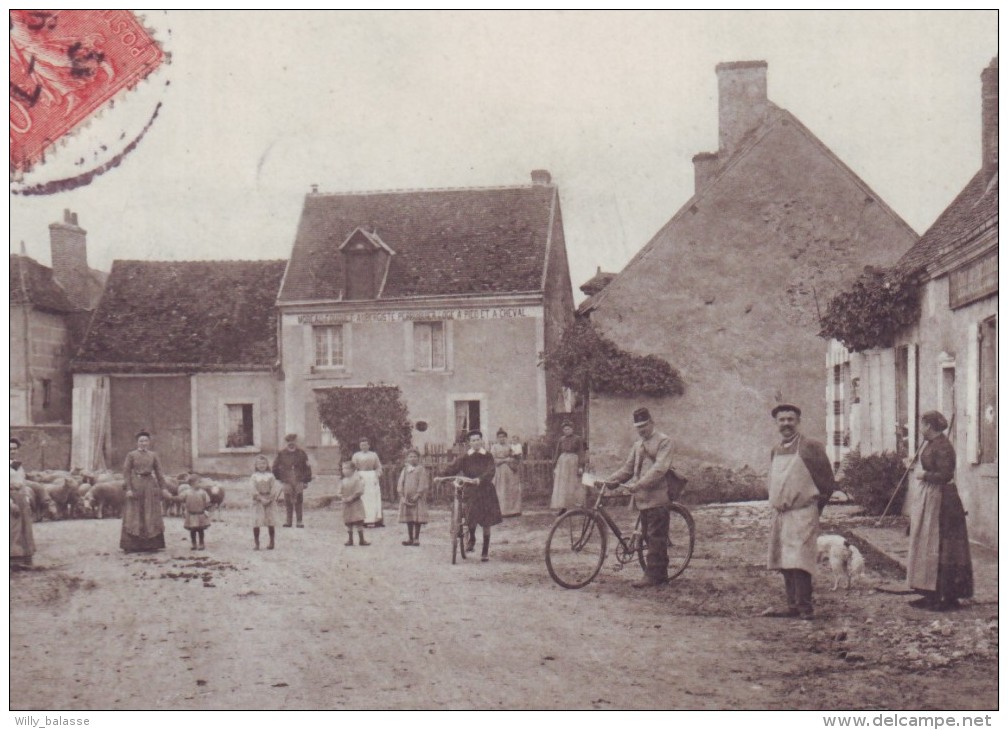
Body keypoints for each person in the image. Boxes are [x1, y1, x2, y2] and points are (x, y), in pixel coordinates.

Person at [762, 404, 835, 620]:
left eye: (790, 419)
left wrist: (816, 508)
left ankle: (805, 607)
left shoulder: (810, 447)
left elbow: (827, 482)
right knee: (784, 558)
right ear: (777, 423)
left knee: (800, 559)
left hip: (803, 511)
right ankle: (792, 605)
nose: (786, 424)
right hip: (782, 514)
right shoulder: (776, 449)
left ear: (798, 421)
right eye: (782, 420)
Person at [906, 410, 973, 611]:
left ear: (929, 426)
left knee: (945, 548)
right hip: (932, 498)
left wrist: (923, 475)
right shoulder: (932, 444)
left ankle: (948, 597)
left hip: (945, 502)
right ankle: (931, 594)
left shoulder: (944, 446)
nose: (920, 429)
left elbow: (945, 474)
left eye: (922, 425)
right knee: (928, 546)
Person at [603, 408, 676, 588]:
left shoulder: (664, 441)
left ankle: (653, 576)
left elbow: (660, 469)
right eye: (638, 427)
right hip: (642, 498)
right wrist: (610, 480)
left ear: (652, 422)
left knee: (655, 536)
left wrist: (640, 484)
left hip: (658, 496)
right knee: (647, 536)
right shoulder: (637, 445)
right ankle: (660, 575)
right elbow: (628, 469)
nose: (642, 430)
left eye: (644, 426)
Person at [442, 430, 502, 562]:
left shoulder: (487, 456)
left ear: (481, 441)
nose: (476, 442)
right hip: (471, 489)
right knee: (470, 514)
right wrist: (442, 476)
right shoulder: (464, 457)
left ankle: (485, 551)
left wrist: (480, 479)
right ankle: (472, 537)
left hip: (486, 490)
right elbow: (453, 468)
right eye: (473, 440)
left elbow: (490, 471)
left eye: (478, 439)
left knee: (487, 522)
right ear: (469, 443)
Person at [121, 431, 167, 552]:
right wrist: (129, 489)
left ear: (149, 442)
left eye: (145, 441)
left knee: (150, 512)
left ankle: (151, 544)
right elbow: (126, 473)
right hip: (136, 484)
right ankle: (132, 545)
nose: (143, 443)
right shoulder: (131, 455)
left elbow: (159, 472)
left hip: (150, 486)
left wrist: (163, 488)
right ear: (137, 442)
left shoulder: (153, 455)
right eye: (141, 441)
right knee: (134, 513)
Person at [272, 434, 312, 528]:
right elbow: (275, 467)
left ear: (296, 442)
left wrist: (306, 481)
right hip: (286, 480)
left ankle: (299, 521)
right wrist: (280, 479)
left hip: (299, 480)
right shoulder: (281, 454)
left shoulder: (302, 453)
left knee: (299, 499)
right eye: (289, 442)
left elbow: (307, 468)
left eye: (293, 441)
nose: (291, 444)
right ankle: (288, 521)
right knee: (288, 500)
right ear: (286, 443)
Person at [551, 421, 586, 515]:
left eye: (568, 429)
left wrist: (580, 466)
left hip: (573, 461)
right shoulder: (561, 439)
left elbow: (581, 452)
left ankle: (576, 507)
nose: (566, 431)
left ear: (572, 429)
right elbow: (557, 452)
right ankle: (564, 507)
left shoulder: (578, 439)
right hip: (563, 463)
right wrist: (554, 465)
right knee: (563, 485)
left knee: (574, 483)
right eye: (564, 429)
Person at [10, 437, 35, 568]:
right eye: (10, 449)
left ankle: (26, 556)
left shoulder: (18, 465)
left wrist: (26, 497)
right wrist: (10, 503)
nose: (12, 451)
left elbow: (23, 482)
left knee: (25, 527)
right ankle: (12, 560)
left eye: (14, 449)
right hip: (11, 497)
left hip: (21, 497)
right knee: (13, 528)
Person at [397, 448, 429, 546]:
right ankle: (410, 538)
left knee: (417, 518)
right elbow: (400, 482)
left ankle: (416, 538)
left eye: (415, 457)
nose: (413, 459)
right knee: (409, 518)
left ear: (418, 458)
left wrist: (418, 494)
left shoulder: (421, 469)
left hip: (417, 498)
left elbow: (423, 483)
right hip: (407, 497)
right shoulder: (405, 469)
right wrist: (401, 495)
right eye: (410, 457)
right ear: (407, 458)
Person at [352, 438, 384, 527]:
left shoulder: (373, 455)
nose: (364, 447)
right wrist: (357, 477)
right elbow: (353, 468)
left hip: (372, 477)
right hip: (361, 477)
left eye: (366, 445)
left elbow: (378, 467)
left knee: (374, 498)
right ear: (359, 446)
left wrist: (377, 475)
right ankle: (362, 520)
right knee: (363, 498)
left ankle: (376, 520)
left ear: (369, 445)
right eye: (362, 445)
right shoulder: (356, 455)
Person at [251, 454, 280, 550]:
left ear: (267, 464)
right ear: (256, 465)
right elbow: (252, 489)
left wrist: (270, 498)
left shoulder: (271, 476)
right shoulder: (254, 477)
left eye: (264, 463)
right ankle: (257, 543)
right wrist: (260, 498)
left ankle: (271, 542)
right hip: (258, 500)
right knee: (257, 521)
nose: (261, 465)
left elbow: (274, 488)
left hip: (269, 500)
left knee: (270, 521)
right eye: (259, 464)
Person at [491, 429, 522, 517]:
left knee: (511, 489)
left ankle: (513, 510)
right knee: (501, 489)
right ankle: (501, 511)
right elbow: (493, 460)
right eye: (499, 437)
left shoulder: (509, 446)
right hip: (500, 471)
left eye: (503, 437)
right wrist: (505, 459)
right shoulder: (494, 447)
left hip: (510, 470)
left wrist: (514, 457)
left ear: (505, 438)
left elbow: (514, 456)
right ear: (497, 438)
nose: (501, 439)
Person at [340, 461, 369, 547]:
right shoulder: (343, 481)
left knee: (358, 520)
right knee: (348, 521)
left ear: (353, 470)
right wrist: (342, 497)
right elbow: (339, 491)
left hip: (355, 503)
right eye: (343, 468)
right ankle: (350, 539)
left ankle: (362, 539)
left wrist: (352, 497)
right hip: (346, 504)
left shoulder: (357, 479)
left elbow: (359, 491)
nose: (344, 470)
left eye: (346, 468)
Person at [184, 479, 211, 551]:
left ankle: (201, 543)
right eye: (196, 483)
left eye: (199, 483)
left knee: (200, 530)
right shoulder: (187, 492)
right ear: (191, 484)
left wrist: (206, 509)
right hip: (191, 514)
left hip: (200, 514)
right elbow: (182, 499)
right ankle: (194, 544)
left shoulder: (203, 492)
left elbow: (207, 502)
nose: (198, 484)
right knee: (192, 530)